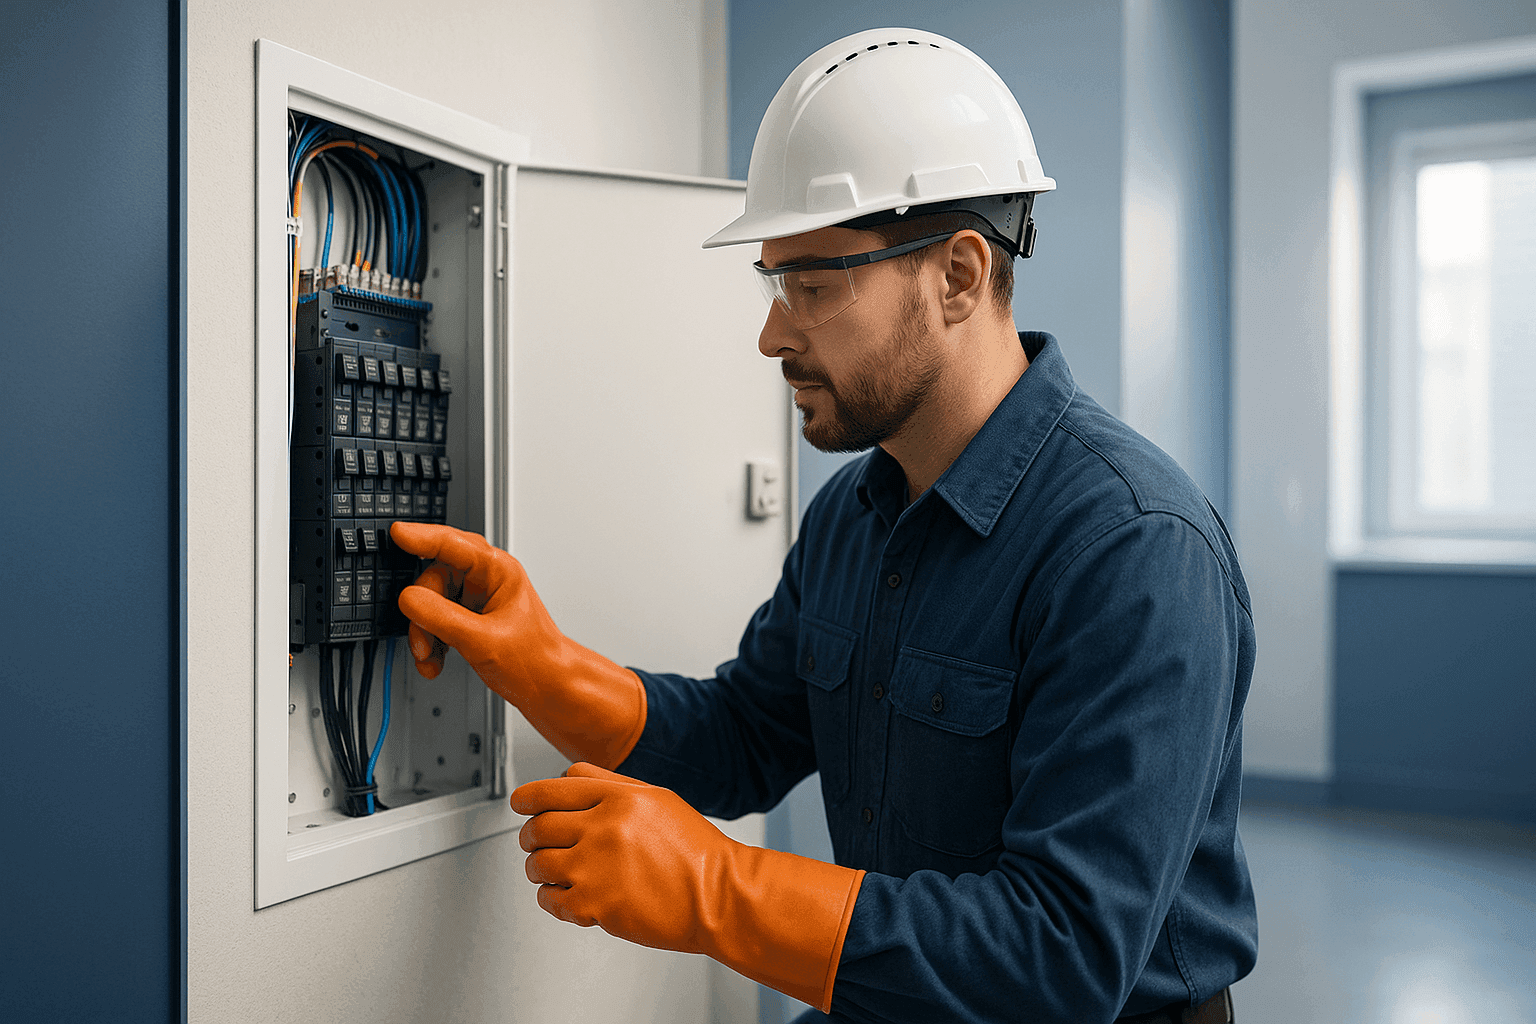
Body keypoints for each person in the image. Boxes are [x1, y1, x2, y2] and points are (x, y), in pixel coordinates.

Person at [389, 27, 1255, 1024]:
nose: (771, 334)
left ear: (960, 277)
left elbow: (1062, 954)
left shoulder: (1133, 549)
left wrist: (715, 888)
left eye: (815, 285)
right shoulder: (856, 513)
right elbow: (744, 733)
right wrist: (540, 662)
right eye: (774, 284)